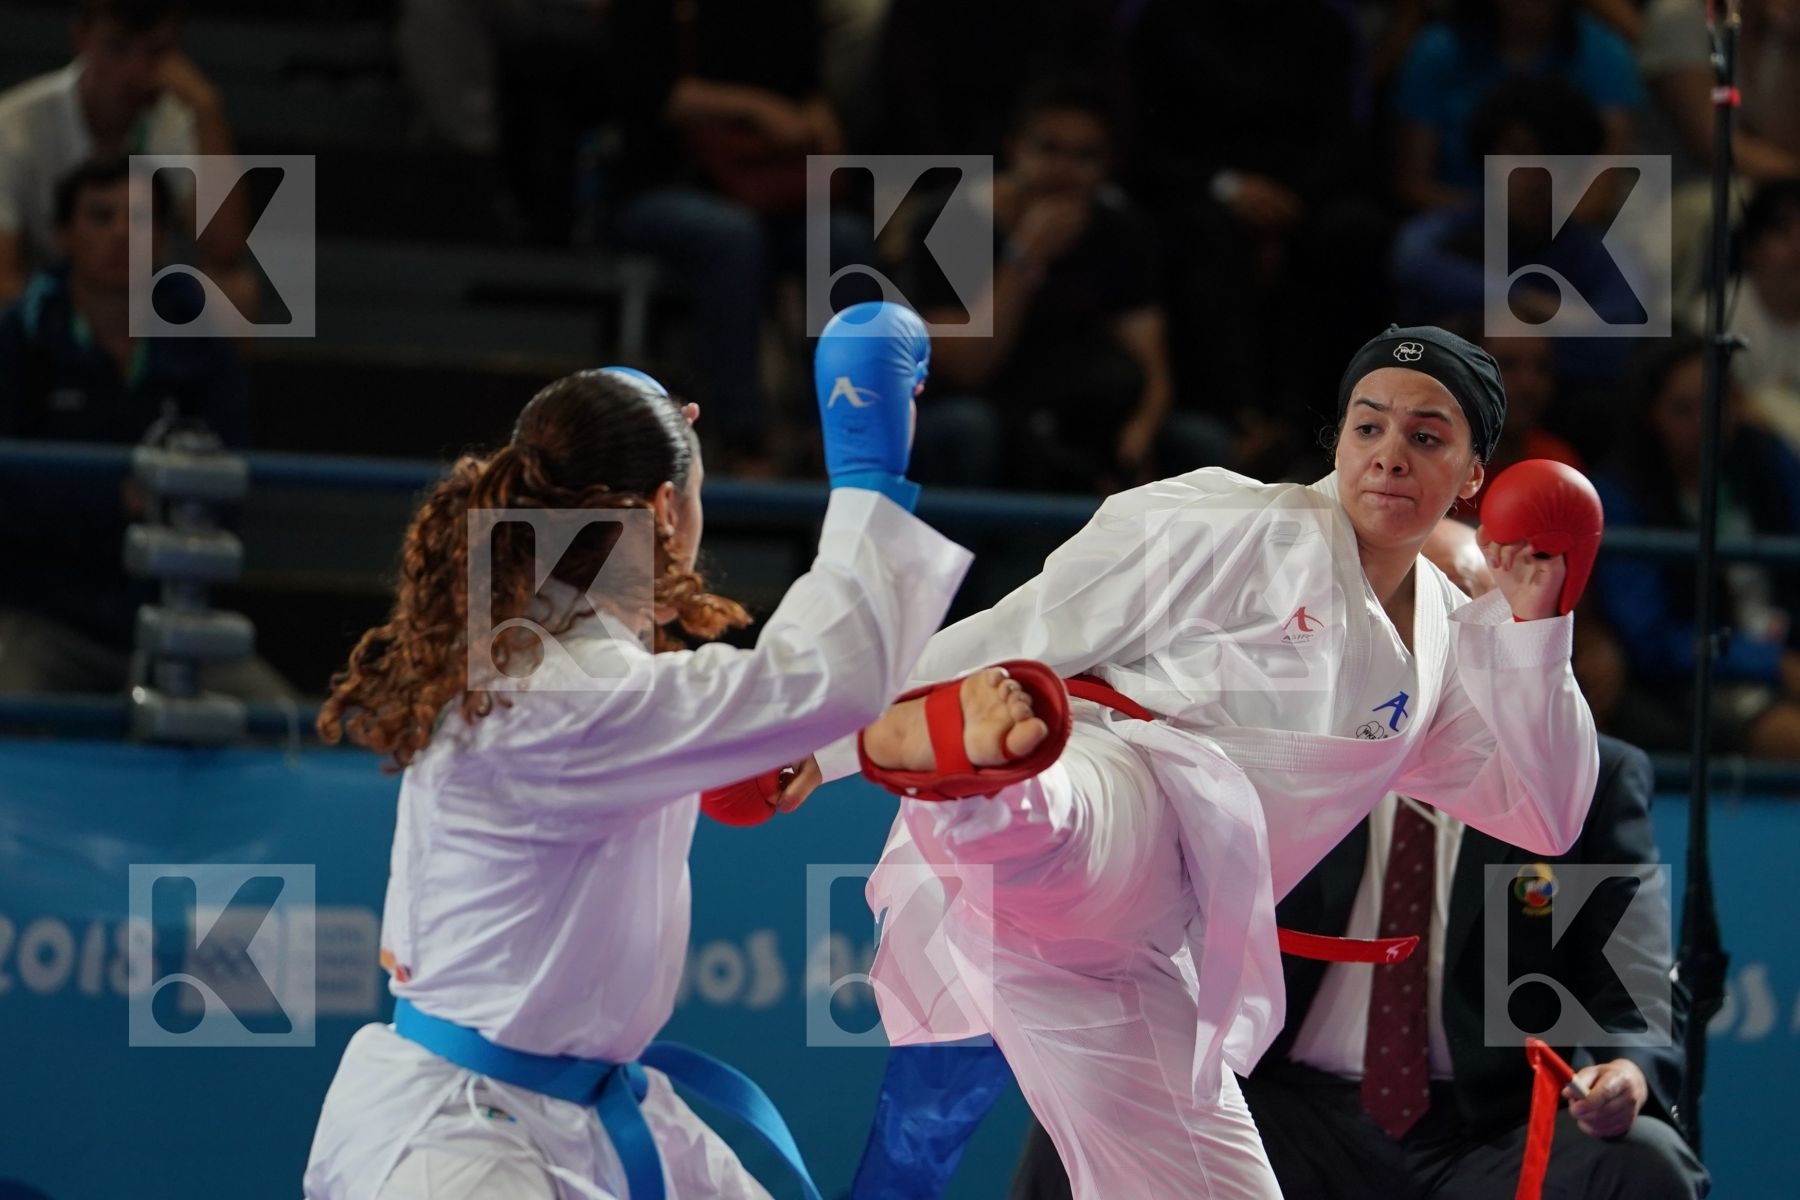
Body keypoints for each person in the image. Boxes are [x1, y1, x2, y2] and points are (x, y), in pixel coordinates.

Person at [786, 324, 1601, 1197]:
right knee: (1076, 817)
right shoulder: (1233, 522)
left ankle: (981, 779)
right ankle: (976, 769)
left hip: (1143, 952)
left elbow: (1546, 812)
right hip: (1117, 783)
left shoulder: (1446, 641)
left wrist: (1537, 630)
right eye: (1369, 427)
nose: (1390, 456)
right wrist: (804, 744)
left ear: (1476, 475)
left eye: (1426, 437)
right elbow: (1020, 629)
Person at [301, 304, 1043, 1198]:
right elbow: (824, 678)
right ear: (663, 508)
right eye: (692, 496)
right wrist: (870, 476)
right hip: (458, 1149)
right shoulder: (571, 698)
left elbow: (773, 714)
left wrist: (621, 422)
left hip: (583, 1111)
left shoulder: (540, 650)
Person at [1009, 520, 1706, 1200]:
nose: (1416, 639)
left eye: (1446, 614)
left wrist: (1627, 1076)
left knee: (1643, 1166)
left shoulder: (1575, 778)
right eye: (1392, 610)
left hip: (1485, 1130)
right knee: (1089, 1119)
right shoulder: (1278, 747)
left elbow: (1629, 994)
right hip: (1284, 1111)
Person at [0, 154, 285, 698]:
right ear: (63, 234)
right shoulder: (18, 339)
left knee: (285, 726)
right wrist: (115, 497)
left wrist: (151, 504)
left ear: (162, 239)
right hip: (43, 621)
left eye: (138, 219)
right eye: (100, 217)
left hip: (177, 621)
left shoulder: (203, 342)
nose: (119, 236)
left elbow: (227, 489)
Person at [903, 78, 1231, 492]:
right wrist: (1023, 256)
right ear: (1015, 148)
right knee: (969, 427)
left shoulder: (1121, 230)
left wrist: (1138, 435)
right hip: (982, 407)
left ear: (1107, 166)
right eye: (1048, 149)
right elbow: (970, 368)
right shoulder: (948, 222)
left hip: (1080, 408)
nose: (1063, 170)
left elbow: (1152, 365)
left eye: (1084, 156)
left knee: (1198, 441)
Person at [1590, 332, 1800, 757]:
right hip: (1693, 679)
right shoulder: (1620, 496)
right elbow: (1649, 640)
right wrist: (1769, 662)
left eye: (1717, 405)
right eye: (1684, 410)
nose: (1706, 426)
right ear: (1651, 416)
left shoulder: (1768, 460)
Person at [0, 0, 254, 314]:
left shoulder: (181, 121)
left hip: (143, 304)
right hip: (40, 305)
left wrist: (208, 109)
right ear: (81, 38)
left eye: (156, 52)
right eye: (118, 48)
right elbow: (3, 272)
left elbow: (226, 250)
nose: (136, 69)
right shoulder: (12, 124)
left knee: (234, 289)